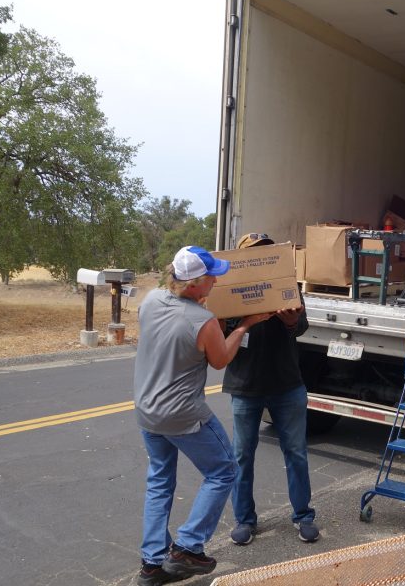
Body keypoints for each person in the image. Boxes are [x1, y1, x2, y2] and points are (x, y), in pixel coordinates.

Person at [133, 245, 272, 586]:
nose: (216, 281)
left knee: (159, 482)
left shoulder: (151, 300)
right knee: (224, 471)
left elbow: (173, 334)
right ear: (194, 283)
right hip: (182, 414)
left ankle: (152, 564)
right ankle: (188, 548)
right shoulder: (203, 321)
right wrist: (244, 326)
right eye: (211, 277)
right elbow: (220, 359)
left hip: (148, 410)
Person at [222, 232, 319, 546]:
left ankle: (303, 516)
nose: (259, 257)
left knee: (296, 453)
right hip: (244, 385)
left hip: (286, 384)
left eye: (264, 251)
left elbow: (302, 326)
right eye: (253, 252)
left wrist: (291, 322)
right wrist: (244, 321)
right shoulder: (229, 290)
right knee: (241, 457)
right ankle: (244, 520)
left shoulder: (286, 283)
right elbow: (220, 333)